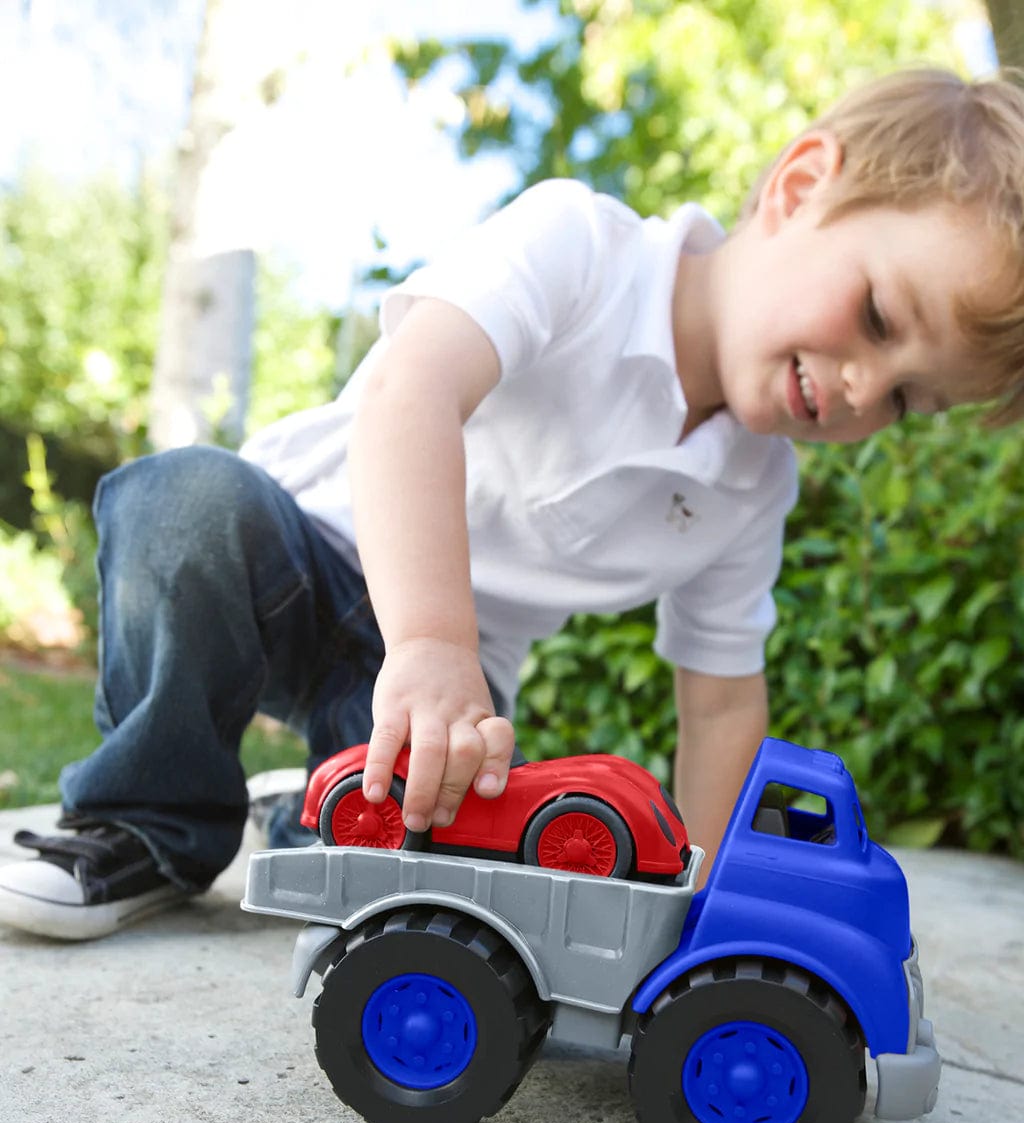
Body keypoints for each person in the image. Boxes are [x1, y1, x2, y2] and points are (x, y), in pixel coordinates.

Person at [1, 66, 1022, 940]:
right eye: (880, 316)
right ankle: (144, 823)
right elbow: (414, 391)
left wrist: (703, 897)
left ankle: (314, 811)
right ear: (801, 186)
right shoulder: (580, 246)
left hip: (450, 681)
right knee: (180, 503)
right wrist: (433, 641)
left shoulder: (751, 486)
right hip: (294, 551)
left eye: (905, 401)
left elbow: (717, 703)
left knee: (424, 875)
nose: (860, 390)